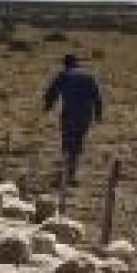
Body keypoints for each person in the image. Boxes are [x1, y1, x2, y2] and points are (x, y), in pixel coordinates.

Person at [44, 54, 103, 186]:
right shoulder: (89, 76)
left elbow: (51, 92)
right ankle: (72, 173)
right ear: (77, 63)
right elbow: (97, 97)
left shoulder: (64, 74)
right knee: (77, 142)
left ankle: (66, 174)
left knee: (67, 142)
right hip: (85, 115)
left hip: (69, 114)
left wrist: (47, 107)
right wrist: (98, 115)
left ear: (66, 64)